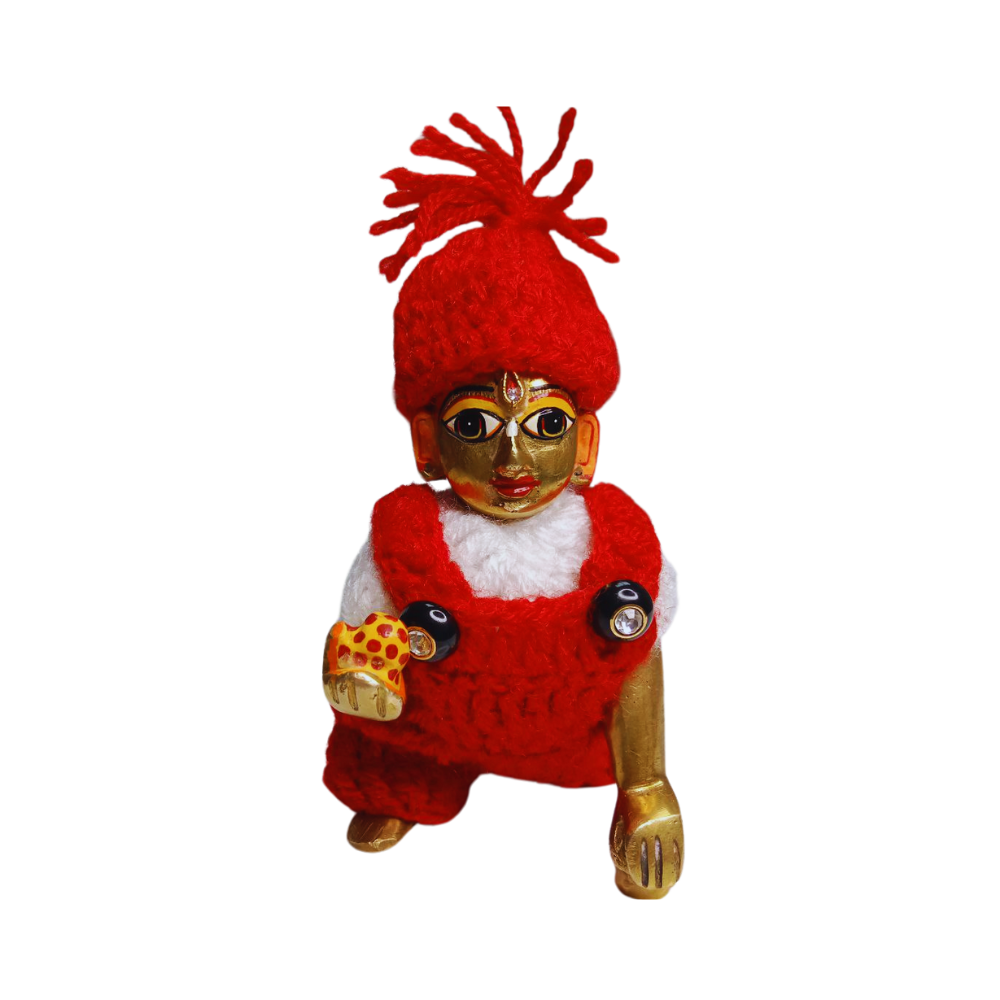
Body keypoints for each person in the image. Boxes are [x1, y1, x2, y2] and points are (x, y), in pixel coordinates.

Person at [321, 107, 684, 899]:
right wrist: (354, 670)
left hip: (568, 734)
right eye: (475, 426)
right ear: (426, 443)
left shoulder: (617, 534)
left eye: (545, 425)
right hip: (429, 730)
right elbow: (358, 634)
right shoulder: (404, 531)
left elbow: (641, 656)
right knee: (387, 754)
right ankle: (407, 789)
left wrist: (647, 782)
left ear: (586, 442)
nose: (514, 461)